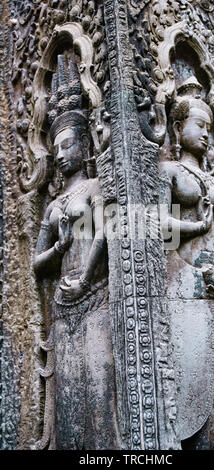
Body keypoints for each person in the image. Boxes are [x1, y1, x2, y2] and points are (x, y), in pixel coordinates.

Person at [33, 57, 120, 450]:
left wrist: (85, 276)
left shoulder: (98, 187)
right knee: (68, 398)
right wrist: (59, 246)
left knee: (102, 388)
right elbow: (38, 264)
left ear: (84, 143)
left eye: (68, 143)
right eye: (56, 147)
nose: (62, 153)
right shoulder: (52, 207)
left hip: (96, 297)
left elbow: (108, 231)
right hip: (63, 311)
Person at [159, 77, 214, 449]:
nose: (207, 135)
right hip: (185, 293)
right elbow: (157, 226)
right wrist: (197, 225)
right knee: (190, 388)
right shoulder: (169, 173)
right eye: (201, 126)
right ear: (178, 128)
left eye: (211, 129)